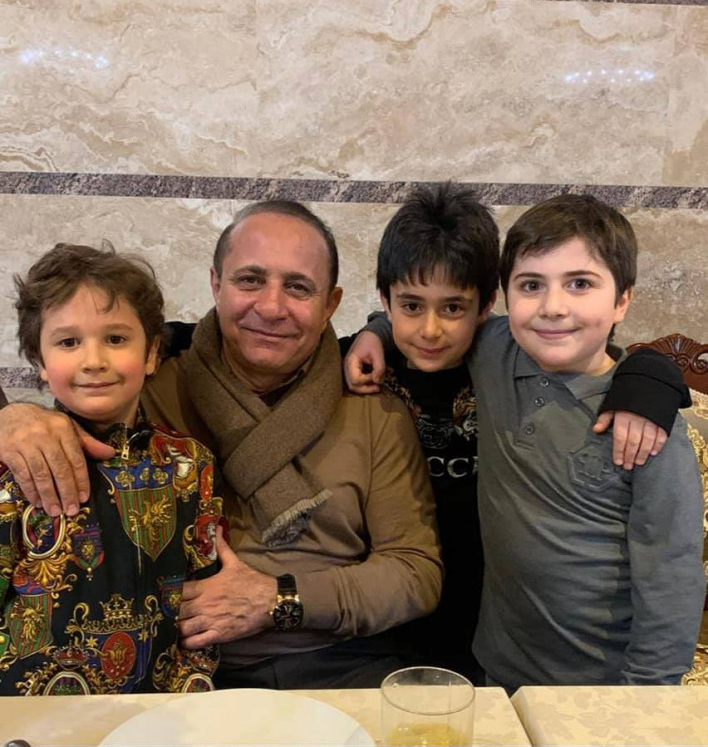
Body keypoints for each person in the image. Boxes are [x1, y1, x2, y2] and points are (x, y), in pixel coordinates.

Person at [0, 203, 442, 690]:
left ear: (330, 304)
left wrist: (279, 599)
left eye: (298, 287)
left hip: (340, 662)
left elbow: (414, 574)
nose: (270, 307)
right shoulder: (150, 388)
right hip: (180, 671)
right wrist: (14, 417)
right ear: (216, 284)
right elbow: (79, 386)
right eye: (250, 280)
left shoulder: (374, 412)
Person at [348, 194, 704, 690]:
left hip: (602, 684)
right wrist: (375, 332)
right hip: (495, 670)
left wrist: (646, 694)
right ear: (504, 298)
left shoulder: (646, 429)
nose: (553, 307)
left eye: (580, 284)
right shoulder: (495, 349)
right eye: (532, 285)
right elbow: (427, 309)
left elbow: (671, 574)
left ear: (622, 300)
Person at [0, 244, 223, 695]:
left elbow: (202, 603)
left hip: (158, 712)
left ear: (152, 353)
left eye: (116, 339)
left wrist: (193, 695)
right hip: (31, 713)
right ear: (40, 362)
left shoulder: (190, 464)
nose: (94, 360)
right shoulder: (15, 466)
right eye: (68, 342)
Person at [338, 184, 498, 682]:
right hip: (381, 621)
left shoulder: (511, 363)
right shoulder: (351, 363)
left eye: (452, 308)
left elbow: (605, 362)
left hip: (486, 614)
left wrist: (651, 378)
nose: (430, 330)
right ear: (385, 299)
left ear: (486, 305)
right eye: (411, 306)